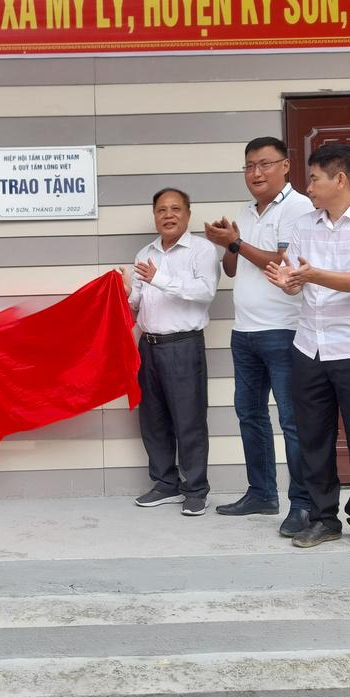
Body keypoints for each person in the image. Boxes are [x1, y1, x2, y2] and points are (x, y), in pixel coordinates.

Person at [265, 144, 350, 553]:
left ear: (339, 179)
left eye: (314, 178)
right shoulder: (305, 224)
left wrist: (312, 275)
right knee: (312, 438)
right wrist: (289, 283)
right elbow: (296, 279)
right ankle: (324, 519)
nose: (308, 187)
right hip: (309, 345)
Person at [205, 137, 315, 536]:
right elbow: (233, 269)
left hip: (284, 330)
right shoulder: (245, 211)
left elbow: (282, 260)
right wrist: (229, 244)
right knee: (249, 414)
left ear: (286, 166)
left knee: (292, 421)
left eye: (265, 164)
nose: (256, 173)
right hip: (245, 331)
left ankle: (302, 504)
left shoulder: (298, 207)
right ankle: (262, 493)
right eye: (249, 166)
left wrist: (234, 242)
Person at [121, 187, 220, 517]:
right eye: (161, 210)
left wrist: (159, 278)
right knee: (154, 419)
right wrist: (125, 291)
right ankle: (165, 484)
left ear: (188, 214)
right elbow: (137, 302)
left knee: (189, 419)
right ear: (154, 215)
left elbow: (205, 292)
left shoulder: (201, 250)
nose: (168, 215)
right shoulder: (144, 253)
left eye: (175, 209)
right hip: (148, 347)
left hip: (183, 345)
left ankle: (196, 489)